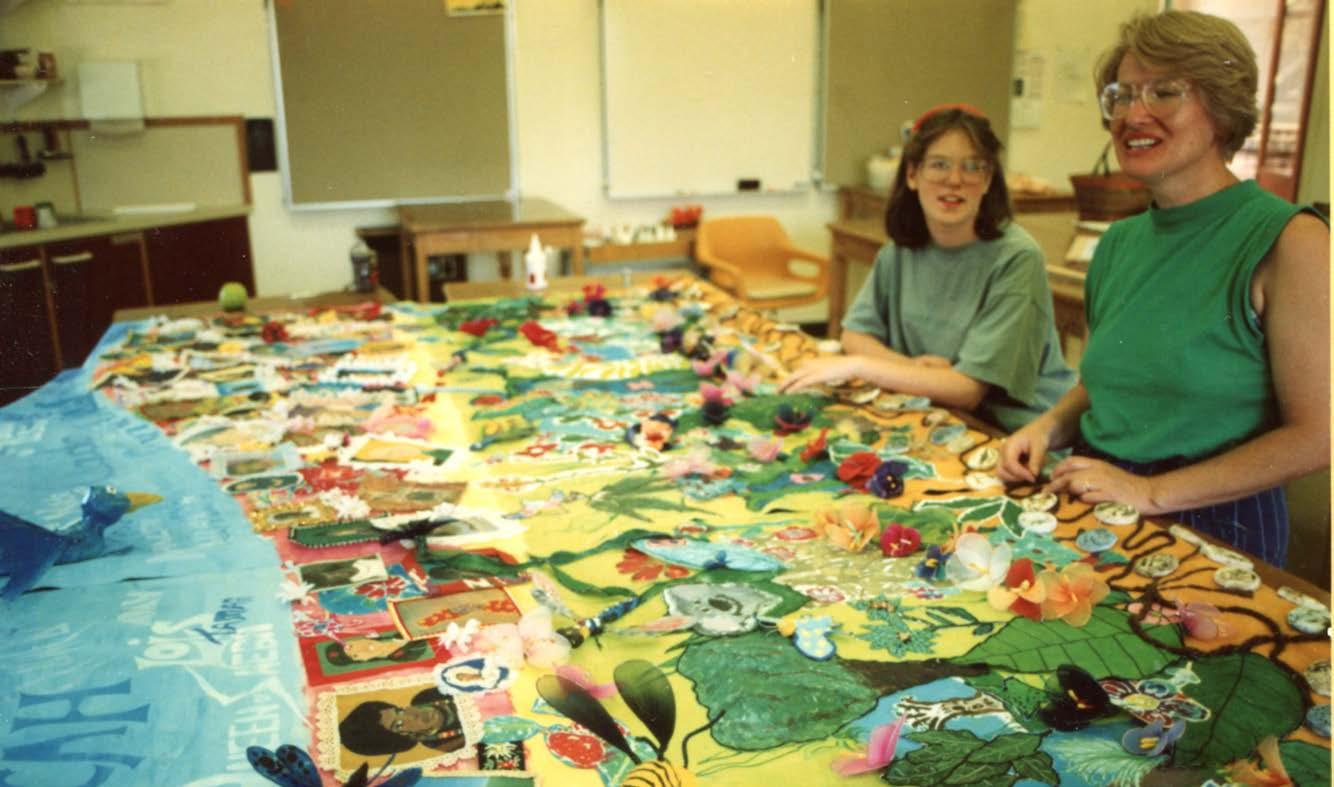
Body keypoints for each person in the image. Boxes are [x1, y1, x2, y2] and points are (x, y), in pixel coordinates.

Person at [997, 11, 1329, 567]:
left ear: (1222, 109)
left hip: (1214, 523)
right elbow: (1110, 384)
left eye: (1164, 92)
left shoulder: (1291, 240)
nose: (1133, 114)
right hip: (1099, 494)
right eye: (1122, 95)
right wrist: (1047, 427)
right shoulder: (1118, 242)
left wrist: (1150, 493)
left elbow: (1320, 435)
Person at [779, 105, 1074, 432]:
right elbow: (855, 334)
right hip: (934, 411)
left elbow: (967, 390)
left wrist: (862, 366)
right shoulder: (899, 251)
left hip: (1017, 431)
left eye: (972, 166)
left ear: (988, 179)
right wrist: (913, 369)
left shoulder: (1017, 258)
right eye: (939, 165)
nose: (954, 180)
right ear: (912, 175)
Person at [339, 688, 466, 757]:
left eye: (399, 711)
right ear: (406, 738)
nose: (412, 714)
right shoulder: (445, 744)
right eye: (398, 724)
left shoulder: (425, 697)